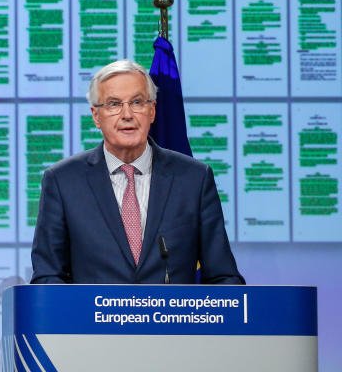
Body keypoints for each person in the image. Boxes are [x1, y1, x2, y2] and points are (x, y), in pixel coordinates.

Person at [30, 60, 243, 285]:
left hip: (173, 319)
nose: (127, 114)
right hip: (93, 319)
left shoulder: (194, 179)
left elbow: (223, 276)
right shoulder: (63, 181)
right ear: (96, 116)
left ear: (152, 111)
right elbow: (48, 277)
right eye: (113, 104)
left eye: (137, 102)